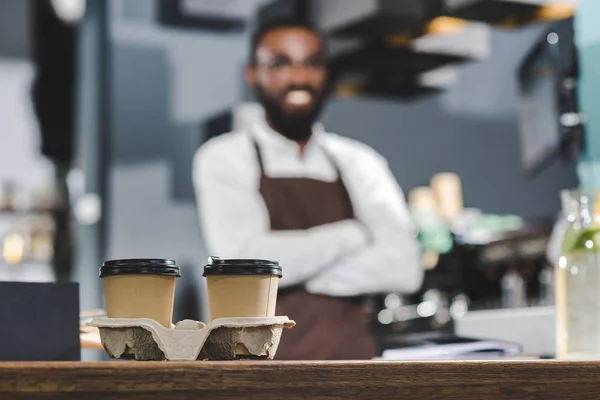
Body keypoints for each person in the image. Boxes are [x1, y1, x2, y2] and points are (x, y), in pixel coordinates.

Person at [193, 19, 423, 360]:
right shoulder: (223, 157)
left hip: (356, 370)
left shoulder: (359, 161)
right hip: (262, 373)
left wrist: (294, 273)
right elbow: (242, 262)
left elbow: (404, 268)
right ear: (252, 74)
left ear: (325, 74)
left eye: (311, 63)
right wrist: (351, 235)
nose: (299, 77)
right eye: (280, 63)